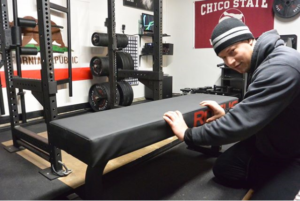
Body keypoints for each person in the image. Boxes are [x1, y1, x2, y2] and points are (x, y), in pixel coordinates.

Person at [163, 18, 300, 200]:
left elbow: (240, 123)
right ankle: (275, 176)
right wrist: (226, 115)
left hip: (294, 154)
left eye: (232, 52)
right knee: (224, 168)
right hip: (272, 144)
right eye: (223, 58)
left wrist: (188, 134)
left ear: (250, 40)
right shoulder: (265, 61)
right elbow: (254, 107)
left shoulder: (281, 66)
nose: (230, 62)